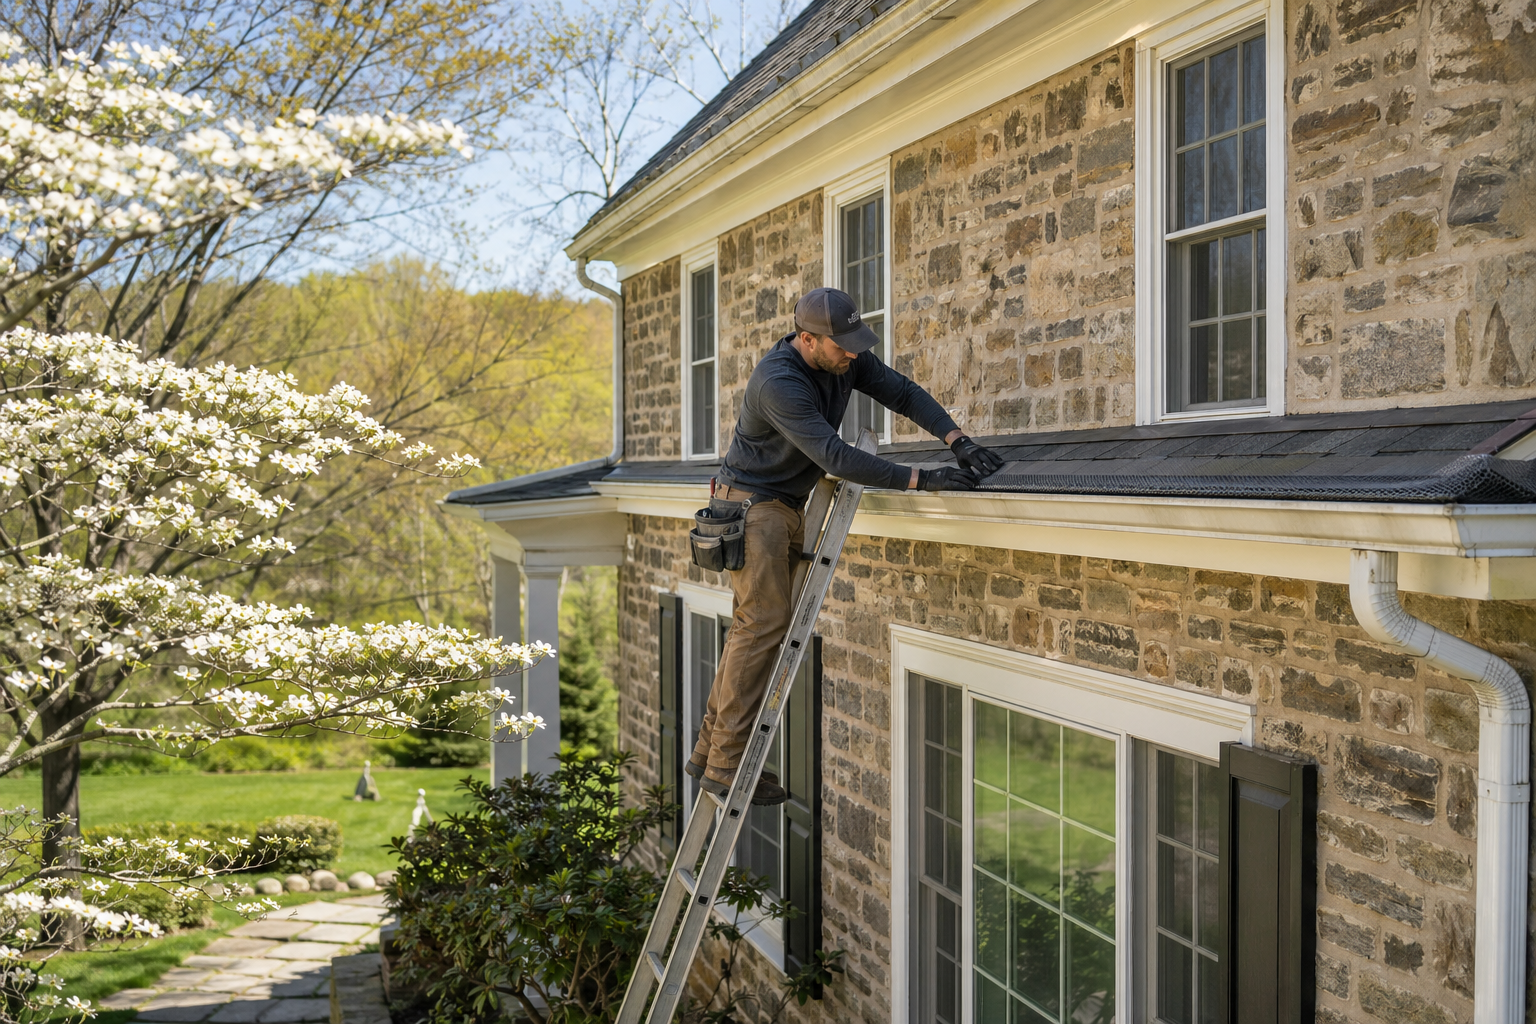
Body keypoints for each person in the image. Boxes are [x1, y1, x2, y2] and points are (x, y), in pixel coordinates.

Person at [688, 286, 1004, 804]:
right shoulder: (778, 381)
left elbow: (902, 392)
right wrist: (922, 480)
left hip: (783, 505)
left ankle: (708, 753)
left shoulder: (845, 359)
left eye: (857, 344)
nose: (853, 354)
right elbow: (835, 456)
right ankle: (725, 768)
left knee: (752, 630)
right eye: (843, 346)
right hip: (752, 509)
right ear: (808, 340)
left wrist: (957, 440)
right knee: (761, 628)